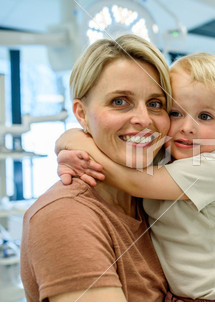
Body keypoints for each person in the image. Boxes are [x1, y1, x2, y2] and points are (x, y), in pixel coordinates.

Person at [56, 53, 215, 302]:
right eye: (176, 113)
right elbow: (117, 155)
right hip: (176, 296)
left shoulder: (213, 168)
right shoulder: (163, 155)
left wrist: (74, 142)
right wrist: (67, 148)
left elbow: (134, 182)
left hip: (212, 301)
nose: (187, 127)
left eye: (204, 117)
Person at [20, 34, 173, 302]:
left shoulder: (154, 199)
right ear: (81, 113)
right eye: (119, 101)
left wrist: (70, 140)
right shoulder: (65, 216)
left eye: (155, 104)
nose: (143, 119)